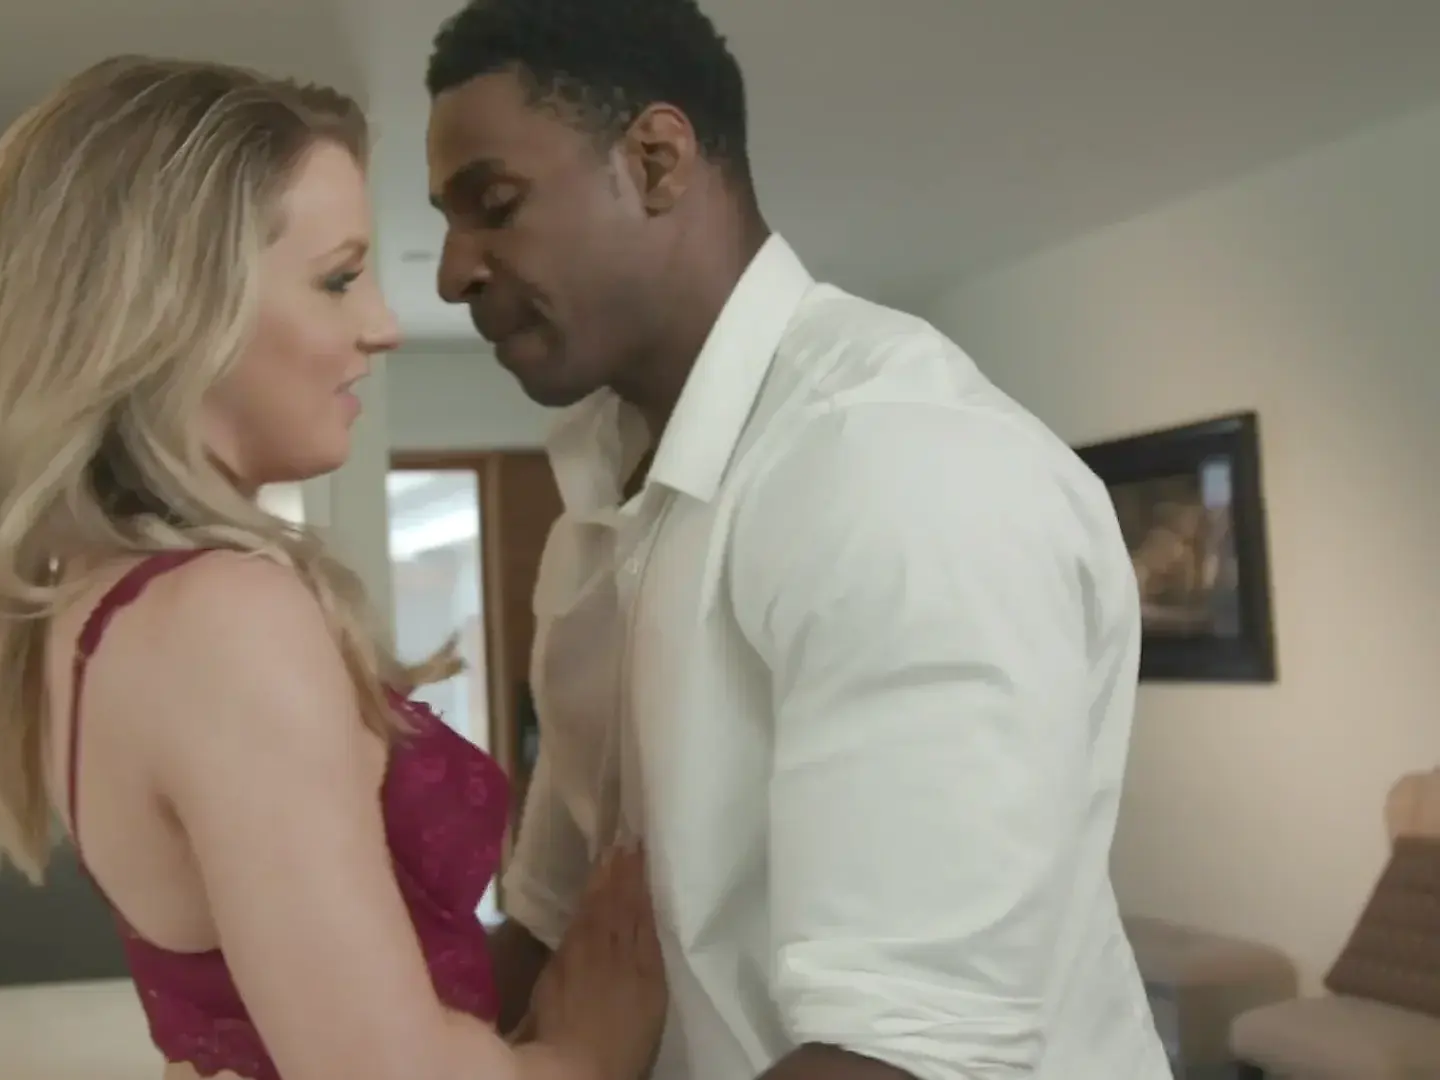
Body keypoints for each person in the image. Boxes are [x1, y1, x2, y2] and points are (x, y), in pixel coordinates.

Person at [423, 2, 1174, 1079]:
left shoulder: (896, 466)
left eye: (494, 205)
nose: (452, 271)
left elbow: (903, 1058)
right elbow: (556, 934)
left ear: (655, 160)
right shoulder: (595, 503)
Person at [0, 56, 665, 1080]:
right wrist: (589, 1052)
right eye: (338, 279)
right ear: (174, 310)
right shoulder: (221, 618)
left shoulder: (98, 612)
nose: (383, 325)